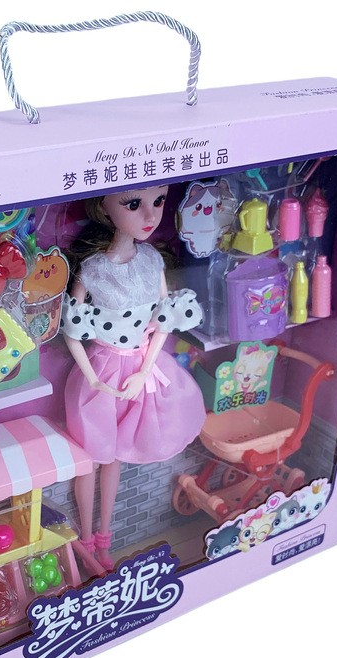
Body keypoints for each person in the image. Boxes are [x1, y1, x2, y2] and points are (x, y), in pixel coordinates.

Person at [61, 184, 206, 570]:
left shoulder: (152, 260)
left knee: (115, 457)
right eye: (133, 204)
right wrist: (94, 381)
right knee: (93, 457)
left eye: (158, 201)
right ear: (104, 206)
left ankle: (103, 539)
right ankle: (85, 539)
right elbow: (73, 332)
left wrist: (144, 370)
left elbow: (164, 320)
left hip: (140, 372)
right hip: (103, 371)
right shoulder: (93, 269)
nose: (151, 215)